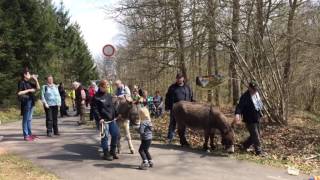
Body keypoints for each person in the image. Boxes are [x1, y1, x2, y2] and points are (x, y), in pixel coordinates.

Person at [233, 81, 266, 156]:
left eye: (256, 89)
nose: (255, 90)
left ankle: (244, 145)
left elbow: (259, 105)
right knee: (255, 135)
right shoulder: (245, 96)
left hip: (257, 117)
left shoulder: (257, 94)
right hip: (249, 119)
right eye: (253, 89)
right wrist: (237, 114)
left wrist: (262, 114)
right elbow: (239, 106)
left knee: (258, 134)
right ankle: (259, 151)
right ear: (249, 88)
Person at [91, 80, 120, 161]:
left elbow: (112, 107)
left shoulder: (108, 95)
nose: (106, 88)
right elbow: (95, 109)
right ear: (100, 87)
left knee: (116, 134)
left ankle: (113, 151)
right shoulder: (96, 97)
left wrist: (117, 114)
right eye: (105, 87)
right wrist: (99, 118)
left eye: (107, 87)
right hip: (103, 121)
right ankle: (106, 153)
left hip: (111, 119)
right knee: (105, 137)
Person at [165, 73, 194, 144]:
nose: (179, 79)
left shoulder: (187, 87)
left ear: (183, 79)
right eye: (177, 78)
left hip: (186, 110)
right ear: (176, 79)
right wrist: (167, 106)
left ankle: (183, 139)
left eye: (180, 78)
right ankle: (170, 138)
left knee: (184, 124)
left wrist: (193, 105)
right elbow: (167, 97)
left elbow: (191, 97)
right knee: (172, 123)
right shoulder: (172, 87)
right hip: (175, 109)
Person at [17, 68, 40, 141]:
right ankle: (26, 135)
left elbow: (38, 88)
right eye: (28, 74)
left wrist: (36, 80)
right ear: (25, 75)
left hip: (31, 102)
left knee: (29, 119)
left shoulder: (29, 82)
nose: (30, 75)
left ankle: (30, 134)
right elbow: (19, 93)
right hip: (26, 102)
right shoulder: (21, 82)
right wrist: (29, 90)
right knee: (25, 119)